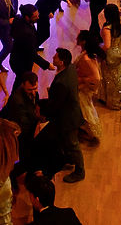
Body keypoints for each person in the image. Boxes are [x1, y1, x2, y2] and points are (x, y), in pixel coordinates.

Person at [36, 48, 84, 183]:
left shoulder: (62, 82)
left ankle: (80, 171)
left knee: (73, 144)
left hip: (68, 119)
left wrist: (44, 114)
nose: (53, 58)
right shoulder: (70, 69)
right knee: (67, 143)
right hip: (71, 113)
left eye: (55, 57)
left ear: (61, 62)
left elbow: (56, 105)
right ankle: (68, 160)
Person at [0, 72, 41, 172]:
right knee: (22, 153)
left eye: (35, 88)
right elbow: (23, 123)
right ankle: (13, 174)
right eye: (30, 90)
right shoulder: (17, 100)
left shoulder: (33, 93)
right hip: (19, 130)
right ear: (23, 85)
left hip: (26, 127)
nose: (33, 92)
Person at [9, 5, 52, 83]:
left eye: (37, 15)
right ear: (27, 17)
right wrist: (47, 65)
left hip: (16, 58)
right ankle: (14, 95)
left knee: (20, 81)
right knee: (21, 82)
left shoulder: (19, 18)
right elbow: (32, 54)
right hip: (21, 63)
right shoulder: (26, 34)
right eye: (35, 16)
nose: (38, 17)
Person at [98, 4, 121, 110]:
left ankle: (110, 100)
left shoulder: (107, 28)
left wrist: (98, 48)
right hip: (119, 53)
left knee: (109, 78)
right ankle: (120, 97)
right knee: (118, 75)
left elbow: (107, 46)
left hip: (110, 56)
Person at [74, 30, 102, 145]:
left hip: (83, 89)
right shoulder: (88, 54)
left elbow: (96, 78)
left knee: (86, 109)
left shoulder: (86, 58)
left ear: (83, 41)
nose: (76, 40)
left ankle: (92, 133)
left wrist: (84, 82)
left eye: (78, 39)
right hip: (83, 87)